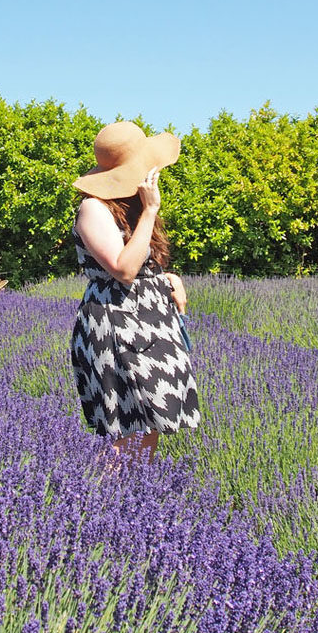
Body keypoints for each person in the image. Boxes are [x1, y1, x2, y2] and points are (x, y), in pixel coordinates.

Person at [69, 121, 200, 464]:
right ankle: (99, 508)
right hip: (115, 324)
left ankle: (133, 501)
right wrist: (151, 210)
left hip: (150, 321)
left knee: (153, 421)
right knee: (123, 431)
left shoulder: (131, 206)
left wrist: (168, 277)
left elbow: (141, 265)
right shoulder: (92, 209)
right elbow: (123, 268)